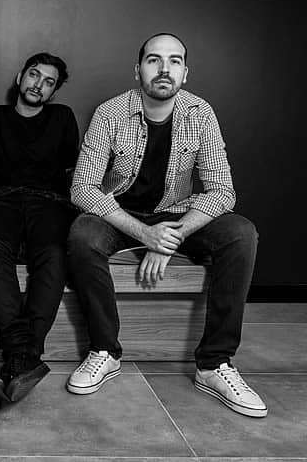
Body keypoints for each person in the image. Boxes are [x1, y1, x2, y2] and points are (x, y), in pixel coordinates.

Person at [66, 33, 266, 418]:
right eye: (154, 60)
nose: (164, 69)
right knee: (82, 234)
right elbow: (83, 188)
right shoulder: (110, 112)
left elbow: (222, 190)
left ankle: (214, 364)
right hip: (122, 214)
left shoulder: (200, 113)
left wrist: (171, 237)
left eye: (174, 61)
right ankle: (105, 351)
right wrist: (145, 235)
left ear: (185, 73)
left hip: (177, 213)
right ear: (137, 69)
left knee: (241, 233)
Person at [0, 53, 79, 402]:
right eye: (34, 75)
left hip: (50, 202)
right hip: (0, 200)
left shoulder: (62, 117)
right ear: (20, 76)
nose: (39, 85)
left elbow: (73, 174)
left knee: (53, 252)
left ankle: (19, 357)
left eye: (49, 82)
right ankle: (24, 355)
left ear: (53, 91)